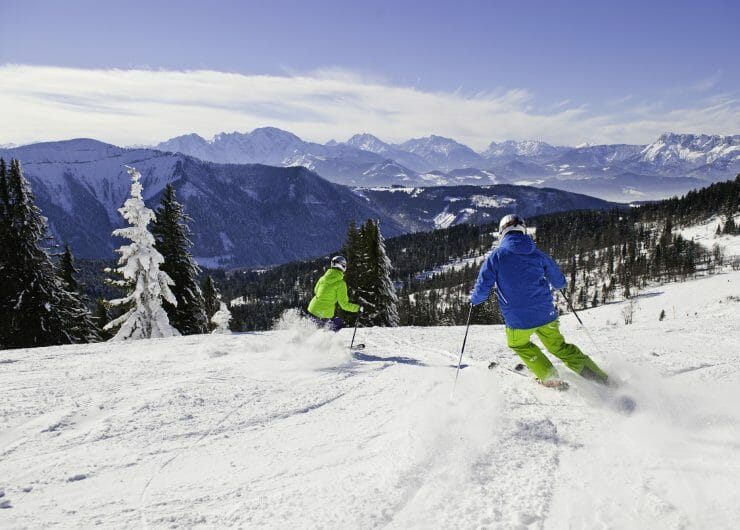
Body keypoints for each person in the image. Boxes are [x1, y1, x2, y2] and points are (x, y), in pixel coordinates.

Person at [470, 214, 608, 388]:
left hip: (517, 318)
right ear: (523, 230)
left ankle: (550, 377)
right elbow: (559, 281)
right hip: (546, 314)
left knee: (518, 344)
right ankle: (599, 378)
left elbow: (482, 289)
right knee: (559, 347)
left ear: (502, 232)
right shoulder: (537, 254)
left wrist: (474, 300)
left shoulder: (496, 257)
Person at [306, 255, 361, 331]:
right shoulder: (340, 284)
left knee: (315, 332)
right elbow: (344, 305)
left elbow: (316, 291)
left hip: (311, 310)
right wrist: (358, 308)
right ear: (343, 266)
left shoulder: (323, 278)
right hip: (323, 315)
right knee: (338, 325)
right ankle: (328, 343)